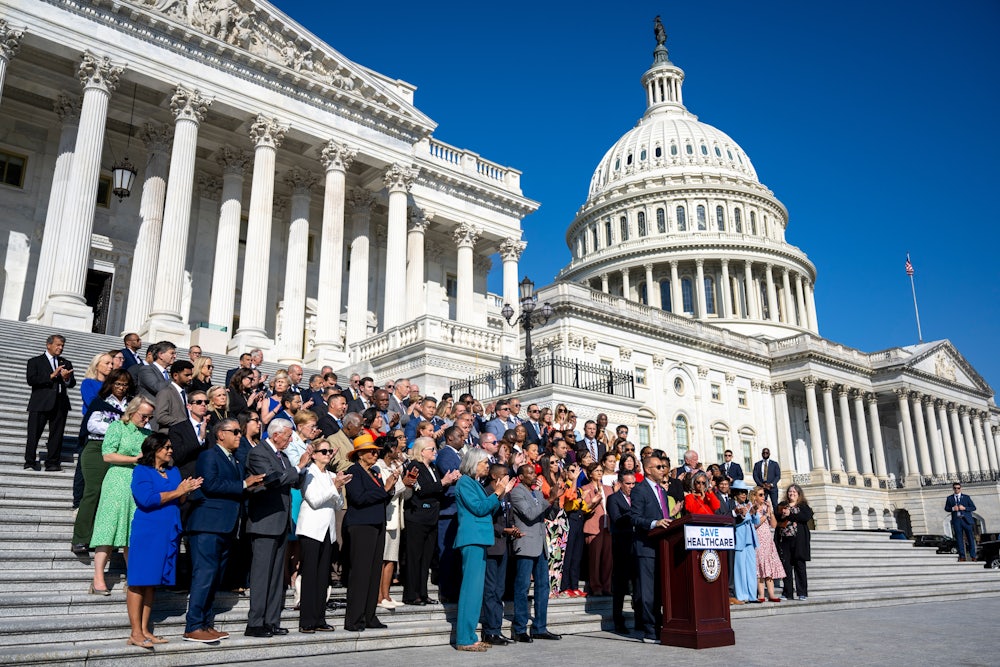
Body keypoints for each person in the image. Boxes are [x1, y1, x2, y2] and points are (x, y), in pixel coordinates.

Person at [183, 418, 265, 643]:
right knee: (204, 575)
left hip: (226, 526)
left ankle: (206, 624)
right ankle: (193, 626)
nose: (240, 435)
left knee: (215, 577)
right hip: (207, 525)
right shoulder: (209, 456)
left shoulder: (236, 461)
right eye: (235, 431)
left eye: (240, 432)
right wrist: (244, 484)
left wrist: (253, 486)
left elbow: (237, 489)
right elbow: (210, 484)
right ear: (220, 434)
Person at [126, 433, 203, 649]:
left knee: (151, 582)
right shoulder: (142, 471)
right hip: (148, 530)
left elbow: (179, 499)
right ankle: (135, 632)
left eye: (170, 447)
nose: (170, 451)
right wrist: (178, 491)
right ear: (154, 449)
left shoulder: (173, 471)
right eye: (166, 447)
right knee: (138, 581)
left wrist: (186, 490)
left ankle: (145, 630)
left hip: (168, 529)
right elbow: (147, 499)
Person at [245, 419, 311, 638]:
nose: (291, 439)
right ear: (275, 435)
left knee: (275, 577)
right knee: (262, 575)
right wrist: (299, 467)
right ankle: (255, 623)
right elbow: (272, 480)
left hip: (281, 522)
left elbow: (288, 480)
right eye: (288, 435)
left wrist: (300, 470)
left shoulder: (281, 456)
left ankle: (271, 621)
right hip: (265, 522)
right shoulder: (258, 453)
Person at [452, 448, 516, 651]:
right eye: (484, 463)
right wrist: (498, 492)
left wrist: (501, 493)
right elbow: (479, 509)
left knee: (476, 591)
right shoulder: (464, 482)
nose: (487, 466)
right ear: (473, 463)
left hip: (480, 539)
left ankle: (470, 636)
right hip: (471, 539)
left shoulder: (475, 484)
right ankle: (464, 638)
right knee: (470, 590)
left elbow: (490, 508)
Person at [90, 396, 154, 594]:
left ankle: (133, 576)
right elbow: (107, 454)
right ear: (132, 411)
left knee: (132, 530)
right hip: (117, 479)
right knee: (108, 527)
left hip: (137, 482)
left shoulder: (147, 432)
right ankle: (98, 577)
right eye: (143, 416)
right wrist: (135, 458)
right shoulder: (117, 427)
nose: (146, 420)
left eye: (149, 417)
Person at [71, 369, 132, 555]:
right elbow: (92, 425)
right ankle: (81, 537)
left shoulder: (132, 404)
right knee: (93, 491)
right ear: (110, 384)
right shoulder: (101, 401)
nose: (121, 388)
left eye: (124, 384)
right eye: (117, 384)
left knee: (113, 496)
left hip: (120, 451)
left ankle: (105, 539)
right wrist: (119, 429)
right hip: (97, 448)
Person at [343, 433, 395, 631]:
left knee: (373, 572)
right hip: (361, 526)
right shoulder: (354, 471)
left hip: (376, 523)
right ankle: (354, 619)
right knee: (361, 572)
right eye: (371, 451)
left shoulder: (374, 473)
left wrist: (387, 490)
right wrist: (385, 490)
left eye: (376, 452)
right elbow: (358, 497)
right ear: (360, 454)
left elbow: (379, 498)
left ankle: (369, 615)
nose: (375, 454)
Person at [297, 440, 350, 633]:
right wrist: (334, 487)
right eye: (324, 451)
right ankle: (306, 620)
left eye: (329, 451)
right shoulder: (308, 473)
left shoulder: (331, 475)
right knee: (310, 575)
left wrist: (337, 487)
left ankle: (319, 618)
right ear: (314, 454)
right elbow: (314, 500)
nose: (328, 454)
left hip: (327, 531)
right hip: (311, 529)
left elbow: (338, 504)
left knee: (323, 577)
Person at [402, 436, 459, 605]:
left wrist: (448, 483)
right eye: (431, 449)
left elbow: (436, 490)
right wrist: (443, 482)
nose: (435, 452)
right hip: (417, 517)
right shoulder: (414, 466)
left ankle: (423, 592)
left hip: (431, 517)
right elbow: (420, 489)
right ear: (422, 451)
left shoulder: (432, 467)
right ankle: (412, 594)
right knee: (415, 557)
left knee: (426, 557)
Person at [509, 463, 562, 643]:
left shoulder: (538, 493)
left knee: (543, 587)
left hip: (540, 545)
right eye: (529, 473)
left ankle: (540, 627)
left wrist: (556, 498)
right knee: (522, 587)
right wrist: (550, 498)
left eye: (534, 472)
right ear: (521, 477)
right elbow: (530, 514)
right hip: (525, 543)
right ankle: (519, 628)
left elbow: (550, 516)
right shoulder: (516, 493)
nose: (534, 475)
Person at [629, 452, 673, 642]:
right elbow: (634, 518)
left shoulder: (662, 491)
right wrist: (655, 523)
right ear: (648, 470)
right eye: (659, 467)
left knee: (659, 591)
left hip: (662, 546)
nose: (663, 470)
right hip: (645, 547)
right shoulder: (640, 490)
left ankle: (661, 624)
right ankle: (649, 630)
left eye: (664, 467)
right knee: (647, 591)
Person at [25, 334, 76, 471]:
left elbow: (72, 383)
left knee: (57, 435)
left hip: (60, 403)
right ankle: (30, 461)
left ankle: (52, 462)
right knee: (34, 433)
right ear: (48, 345)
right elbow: (31, 380)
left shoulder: (65, 363)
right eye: (58, 345)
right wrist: (51, 376)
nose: (60, 348)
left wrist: (66, 379)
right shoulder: (35, 361)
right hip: (40, 402)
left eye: (62, 346)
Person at [376, 432, 413, 609]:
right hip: (384, 517)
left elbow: (404, 493)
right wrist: (401, 483)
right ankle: (378, 596)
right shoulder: (378, 467)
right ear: (390, 449)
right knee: (382, 559)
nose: (399, 451)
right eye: (396, 447)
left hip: (396, 517)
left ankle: (387, 595)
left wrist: (408, 483)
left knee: (391, 558)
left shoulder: (394, 467)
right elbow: (387, 490)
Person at [481, 463, 516, 646]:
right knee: (490, 590)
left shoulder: (507, 493)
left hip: (504, 546)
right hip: (492, 546)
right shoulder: (488, 492)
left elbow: (507, 516)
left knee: (499, 590)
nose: (508, 478)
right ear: (495, 476)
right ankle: (490, 630)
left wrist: (513, 529)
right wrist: (504, 530)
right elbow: (487, 517)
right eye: (504, 475)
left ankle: (497, 628)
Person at [606, 470, 635, 633]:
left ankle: (641, 618)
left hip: (637, 545)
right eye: (628, 484)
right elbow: (617, 518)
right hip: (622, 546)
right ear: (620, 483)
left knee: (638, 584)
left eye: (633, 483)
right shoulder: (613, 499)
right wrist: (635, 515)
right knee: (620, 585)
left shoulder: (637, 498)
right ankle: (618, 620)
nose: (631, 487)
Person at [775, 484, 812, 601]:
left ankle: (802, 592)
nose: (792, 494)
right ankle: (787, 592)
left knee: (799, 566)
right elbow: (776, 517)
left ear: (799, 494)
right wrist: (782, 514)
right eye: (790, 492)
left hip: (798, 540)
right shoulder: (782, 505)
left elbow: (805, 517)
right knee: (786, 567)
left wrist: (790, 514)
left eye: (794, 492)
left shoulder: (803, 506)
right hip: (784, 539)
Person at [581, 462, 612, 596]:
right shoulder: (585, 488)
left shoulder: (608, 488)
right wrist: (594, 501)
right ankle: (596, 587)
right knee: (595, 559)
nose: (599, 472)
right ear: (590, 474)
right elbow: (585, 510)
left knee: (608, 559)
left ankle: (607, 587)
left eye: (601, 470)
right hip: (593, 527)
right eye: (596, 470)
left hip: (608, 527)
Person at [751, 484, 785, 602]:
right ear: (754, 496)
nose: (763, 497)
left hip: (768, 540)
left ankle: (771, 594)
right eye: (760, 495)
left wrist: (770, 513)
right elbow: (755, 524)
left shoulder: (766, 509)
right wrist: (765, 515)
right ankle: (761, 594)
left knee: (768, 567)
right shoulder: (753, 508)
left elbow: (774, 525)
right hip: (758, 540)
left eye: (764, 495)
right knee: (759, 568)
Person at [730, 480, 758, 604]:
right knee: (740, 569)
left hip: (750, 540)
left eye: (745, 492)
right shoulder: (733, 505)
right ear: (735, 493)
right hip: (739, 540)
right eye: (741, 492)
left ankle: (753, 595)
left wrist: (754, 511)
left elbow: (756, 521)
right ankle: (741, 595)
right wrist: (748, 514)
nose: (743, 494)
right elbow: (735, 521)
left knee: (751, 569)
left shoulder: (749, 504)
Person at [946, 483, 978, 562]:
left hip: (966, 520)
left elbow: (973, 507)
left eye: (958, 488)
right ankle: (962, 556)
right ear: (953, 489)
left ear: (961, 488)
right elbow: (946, 508)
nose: (957, 490)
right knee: (959, 539)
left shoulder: (966, 497)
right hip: (957, 520)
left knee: (970, 538)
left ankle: (973, 556)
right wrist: (953, 508)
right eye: (955, 488)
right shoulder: (950, 498)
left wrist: (964, 508)